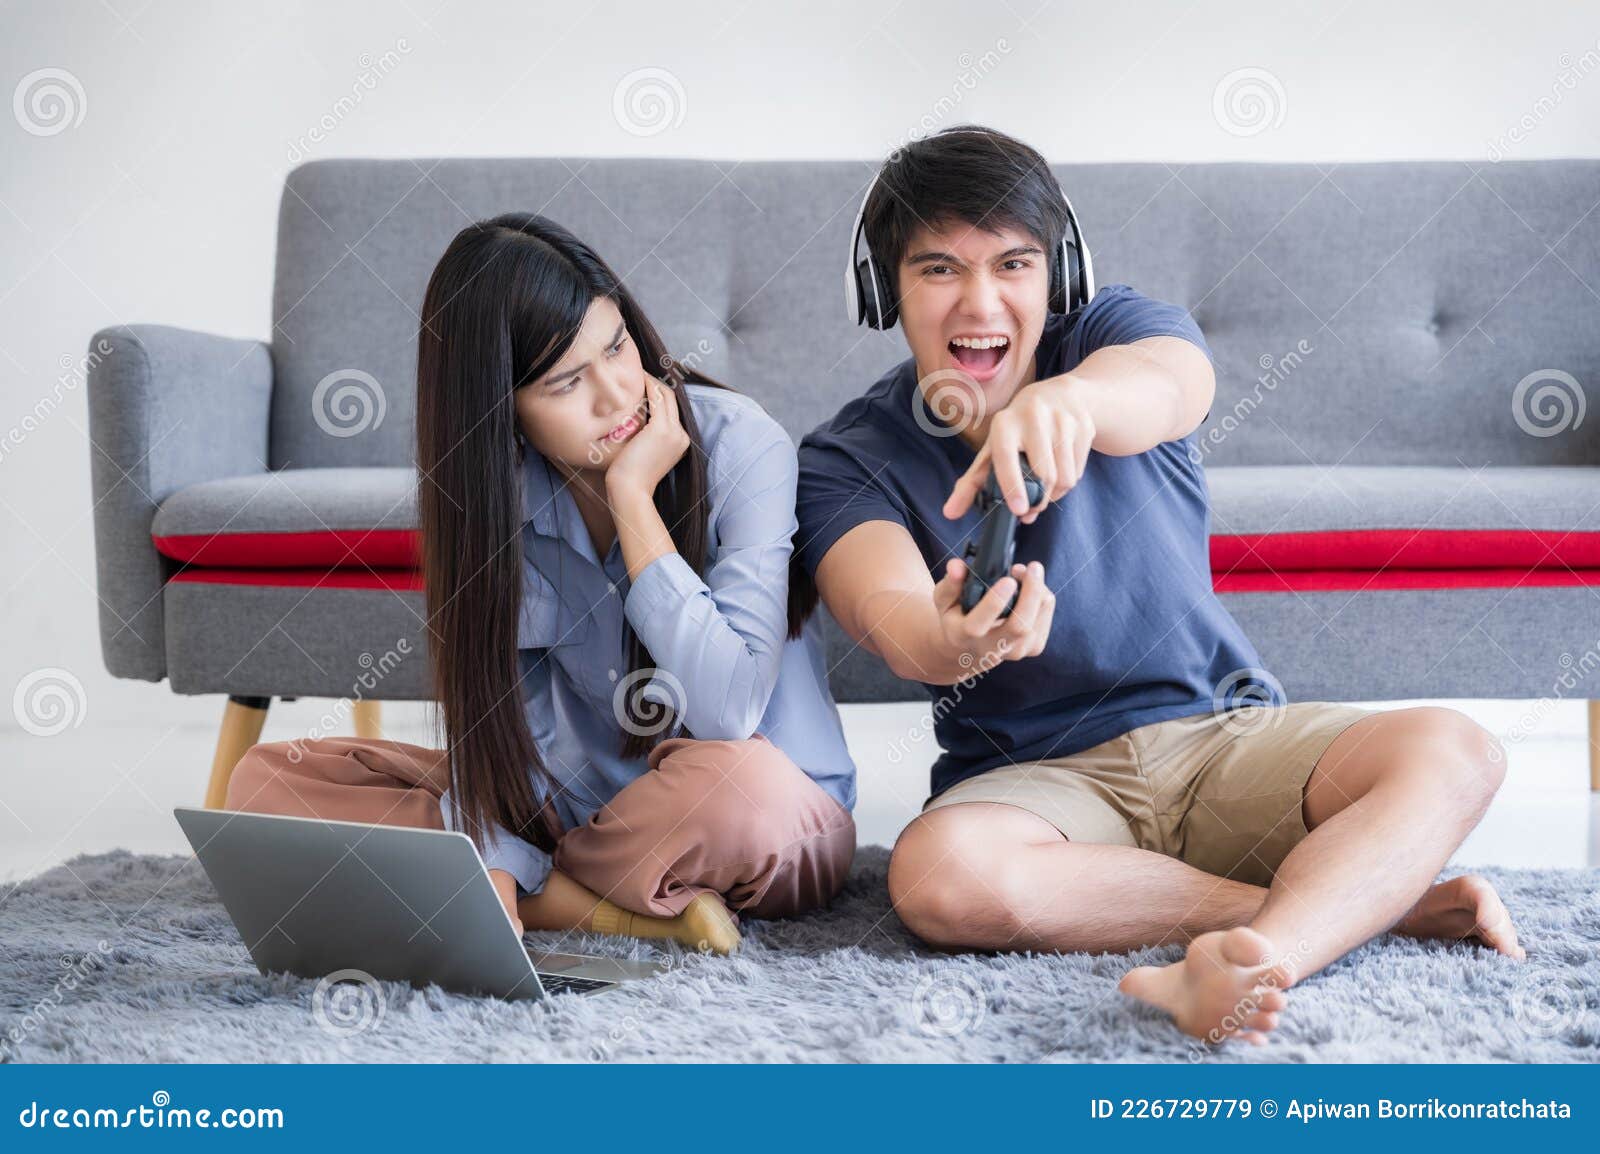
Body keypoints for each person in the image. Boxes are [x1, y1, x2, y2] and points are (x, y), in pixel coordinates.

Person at [794, 125, 1522, 1042]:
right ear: (883, 289)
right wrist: (957, 641)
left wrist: (1070, 402)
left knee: (1459, 751)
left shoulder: (1113, 333)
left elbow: (1172, 384)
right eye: (939, 269)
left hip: (1221, 734)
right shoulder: (842, 457)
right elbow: (894, 615)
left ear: (1057, 274)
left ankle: (1265, 959)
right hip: (1033, 785)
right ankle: (1377, 907)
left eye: (1014, 264)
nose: (981, 304)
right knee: (939, 878)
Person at [227, 213, 857, 956]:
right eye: (566, 382)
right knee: (267, 785)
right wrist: (490, 845)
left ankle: (548, 893)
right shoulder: (495, 499)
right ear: (505, 414)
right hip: (579, 810)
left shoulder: (741, 445)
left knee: (742, 796)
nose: (617, 396)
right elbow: (495, 739)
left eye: (617, 345)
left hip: (760, 809)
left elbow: (728, 708)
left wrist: (631, 503)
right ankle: (619, 907)